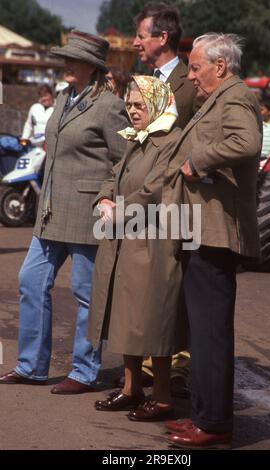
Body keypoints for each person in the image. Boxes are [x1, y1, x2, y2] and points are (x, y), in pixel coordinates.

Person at [0, 30, 128, 394]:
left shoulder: (109, 106)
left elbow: (123, 162)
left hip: (89, 212)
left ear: (91, 66)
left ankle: (85, 371)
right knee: (30, 281)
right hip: (51, 211)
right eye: (65, 58)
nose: (65, 64)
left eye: (72, 59)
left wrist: (107, 198)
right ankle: (31, 366)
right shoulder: (61, 97)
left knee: (86, 292)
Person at [164, 33, 262, 448]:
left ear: (220, 66)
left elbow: (247, 142)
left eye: (196, 67)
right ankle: (205, 416)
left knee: (210, 332)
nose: (191, 75)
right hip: (200, 229)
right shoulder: (218, 99)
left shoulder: (235, 97)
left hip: (216, 233)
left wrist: (196, 161)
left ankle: (215, 424)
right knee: (203, 331)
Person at [88, 75, 187, 421]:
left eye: (139, 105)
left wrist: (117, 209)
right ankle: (131, 389)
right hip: (125, 239)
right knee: (127, 317)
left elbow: (155, 190)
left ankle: (162, 398)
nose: (132, 111)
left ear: (157, 105)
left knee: (153, 322)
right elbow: (112, 173)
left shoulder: (171, 142)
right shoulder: (135, 140)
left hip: (153, 243)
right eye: (129, 104)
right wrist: (103, 196)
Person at [132, 1, 197, 396]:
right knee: (151, 287)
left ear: (162, 37)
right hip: (144, 202)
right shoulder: (144, 80)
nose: (136, 42)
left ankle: (177, 371)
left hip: (179, 202)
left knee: (179, 287)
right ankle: (149, 366)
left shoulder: (193, 83)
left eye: (141, 35)